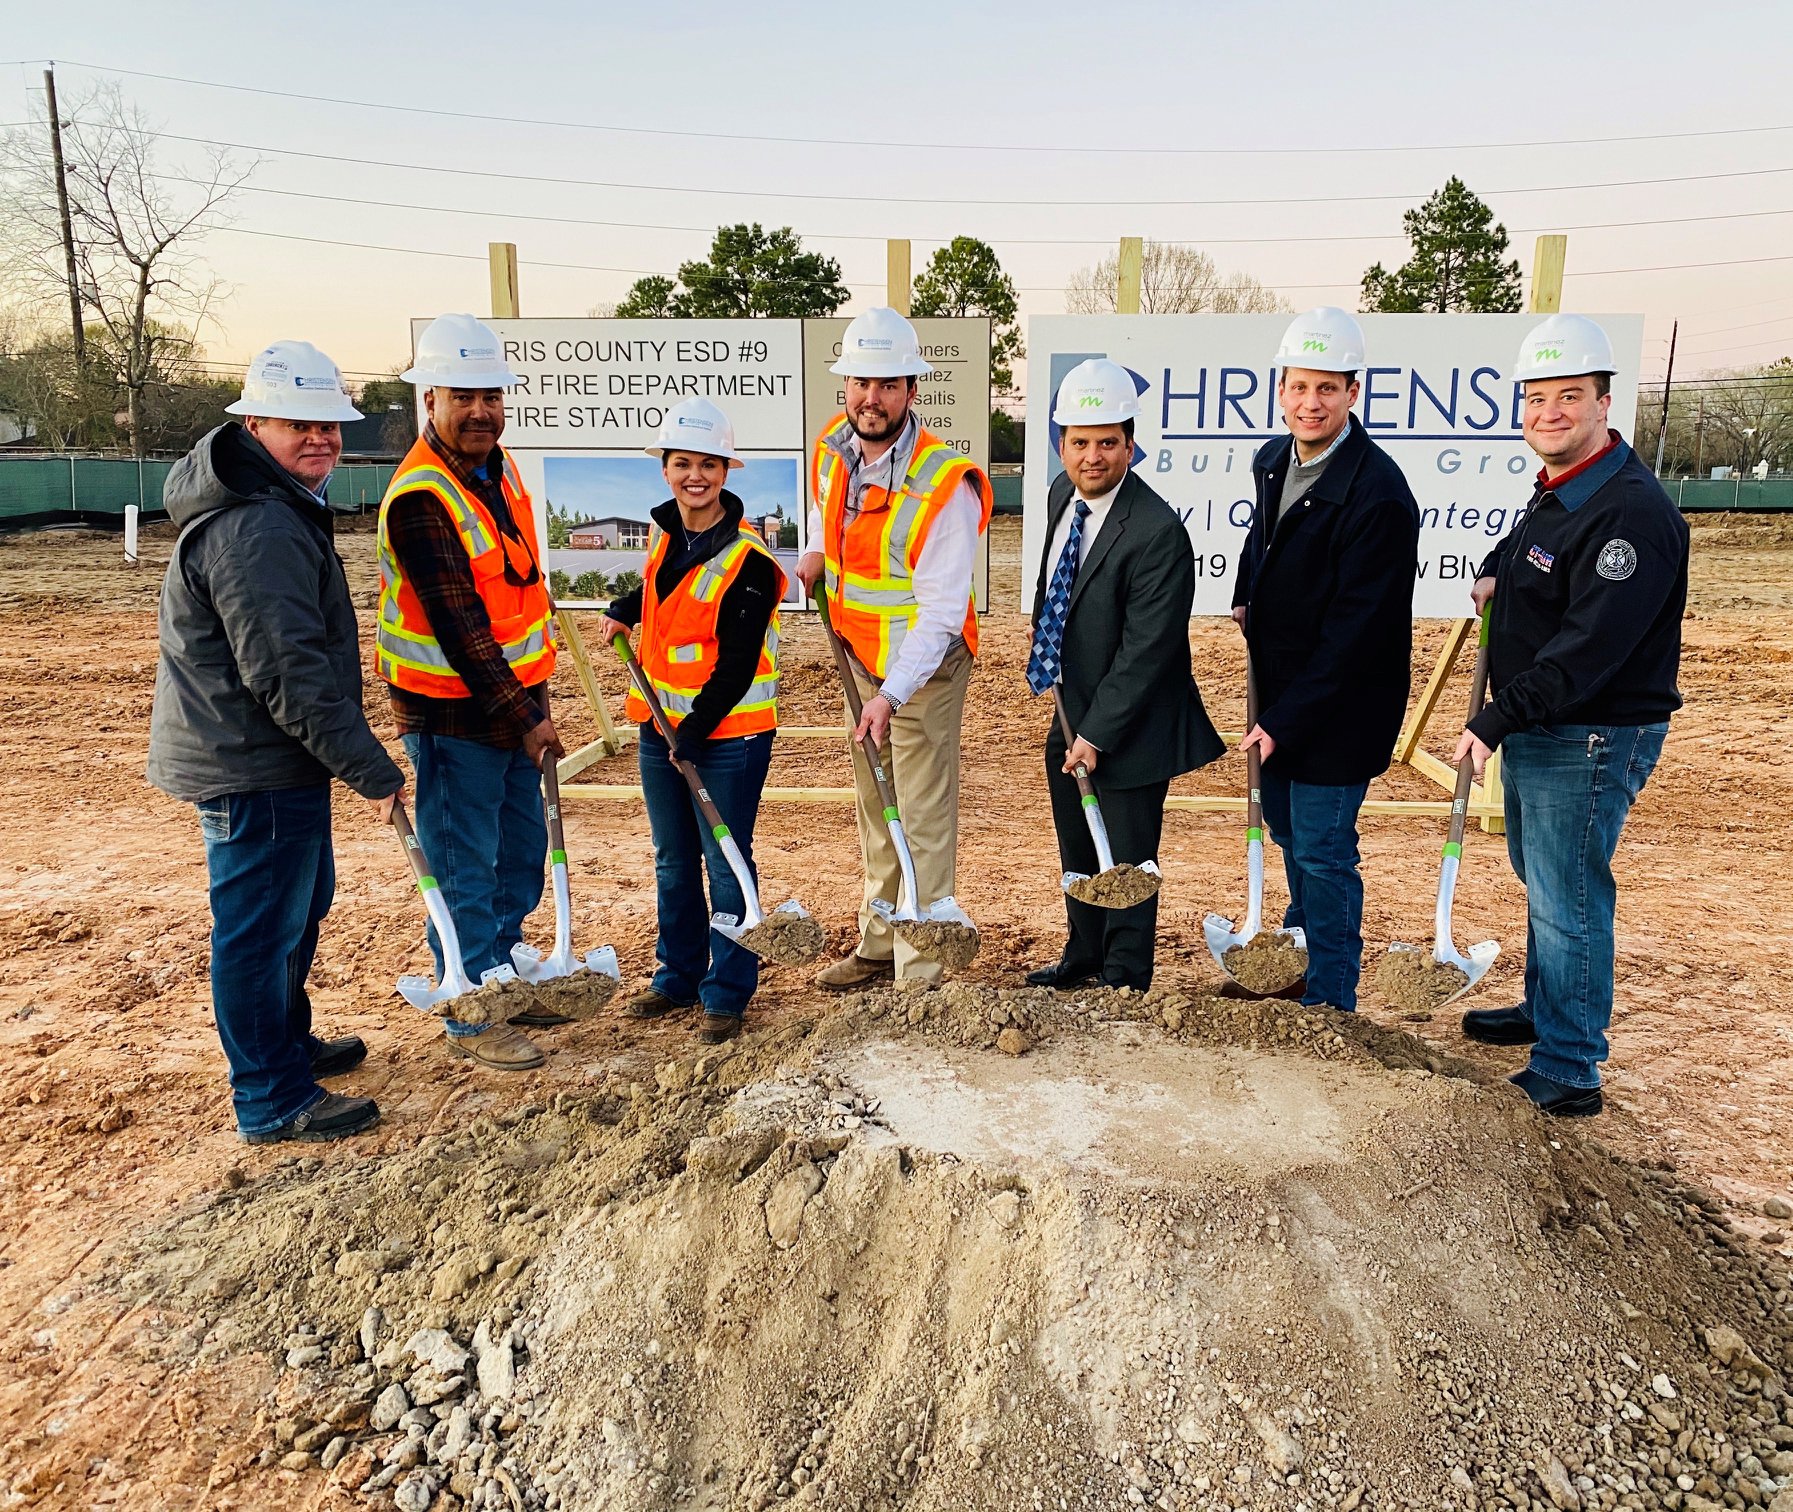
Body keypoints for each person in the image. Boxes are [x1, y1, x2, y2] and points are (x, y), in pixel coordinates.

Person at [148, 341, 404, 1144]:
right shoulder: (256, 526)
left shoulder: (278, 501)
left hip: (274, 757)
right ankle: (271, 1097)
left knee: (298, 907)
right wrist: (372, 770)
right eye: (301, 423)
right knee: (259, 931)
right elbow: (285, 675)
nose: (322, 438)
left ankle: (287, 1046)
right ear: (254, 421)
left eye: (329, 423)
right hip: (249, 764)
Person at [1454, 314, 1688, 1117]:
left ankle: (1570, 1066)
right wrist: (1494, 572)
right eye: (1534, 398)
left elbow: (1588, 649)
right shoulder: (1563, 488)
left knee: (1568, 898)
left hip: (1587, 732)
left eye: (1566, 397)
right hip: (1545, 725)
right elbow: (1528, 556)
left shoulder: (1628, 512)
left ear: (1601, 400)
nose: (1547, 412)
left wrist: (1491, 720)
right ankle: (1546, 1011)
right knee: (1544, 881)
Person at [376, 313, 564, 1071]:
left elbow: (515, 595)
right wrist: (527, 717)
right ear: (430, 400)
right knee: (463, 865)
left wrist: (535, 704)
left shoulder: (497, 467)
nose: (481, 410)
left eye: (491, 394)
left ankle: (505, 968)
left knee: (518, 854)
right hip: (454, 715)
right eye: (464, 396)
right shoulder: (422, 496)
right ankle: (473, 1009)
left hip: (516, 704)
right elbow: (460, 629)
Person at [795, 308, 993, 989]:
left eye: (885, 384)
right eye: (859, 382)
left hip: (923, 668)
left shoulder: (944, 483)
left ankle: (920, 969)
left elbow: (939, 614)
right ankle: (880, 940)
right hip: (859, 654)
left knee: (920, 813)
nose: (868, 398)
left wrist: (890, 695)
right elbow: (823, 504)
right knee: (876, 804)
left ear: (912, 390)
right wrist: (817, 552)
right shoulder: (833, 446)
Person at [1231, 307, 1420, 1013]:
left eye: (1326, 389)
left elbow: (1355, 635)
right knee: (1287, 833)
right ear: (1280, 388)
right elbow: (1262, 543)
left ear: (1351, 393)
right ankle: (1298, 955)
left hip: (1341, 711)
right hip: (1283, 695)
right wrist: (1245, 591)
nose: (1309, 403)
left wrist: (1285, 720)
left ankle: (1330, 999)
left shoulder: (1377, 495)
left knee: (1322, 850)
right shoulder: (1274, 460)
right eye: (1298, 387)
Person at [1025, 360, 1224, 990]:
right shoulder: (1062, 495)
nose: (1092, 457)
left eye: (1108, 442)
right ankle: (1083, 955)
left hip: (1130, 726)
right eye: (1079, 442)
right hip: (1071, 709)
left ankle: (1124, 977)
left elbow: (1148, 650)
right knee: (1080, 850)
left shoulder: (1157, 531)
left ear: (1130, 446)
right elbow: (1055, 583)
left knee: (1128, 860)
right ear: (1061, 445)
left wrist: (1097, 733)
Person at [595, 399, 785, 1045]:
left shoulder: (750, 562)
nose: (693, 475)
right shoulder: (664, 532)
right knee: (673, 860)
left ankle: (726, 993)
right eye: (682, 463)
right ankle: (675, 975)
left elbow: (735, 667)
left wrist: (692, 735)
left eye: (707, 464)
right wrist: (624, 609)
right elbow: (657, 588)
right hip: (662, 728)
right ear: (665, 468)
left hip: (725, 736)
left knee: (724, 859)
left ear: (726, 471)